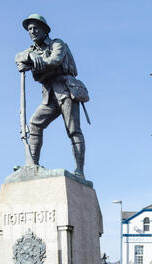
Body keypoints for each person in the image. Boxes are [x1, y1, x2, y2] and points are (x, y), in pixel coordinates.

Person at [15, 14, 89, 178]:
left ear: (44, 30)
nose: (32, 32)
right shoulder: (33, 50)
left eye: (36, 28)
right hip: (49, 95)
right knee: (35, 123)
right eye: (30, 29)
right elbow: (18, 57)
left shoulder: (58, 43)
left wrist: (34, 61)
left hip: (65, 90)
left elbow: (55, 61)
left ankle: (79, 171)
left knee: (73, 130)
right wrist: (29, 56)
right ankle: (32, 164)